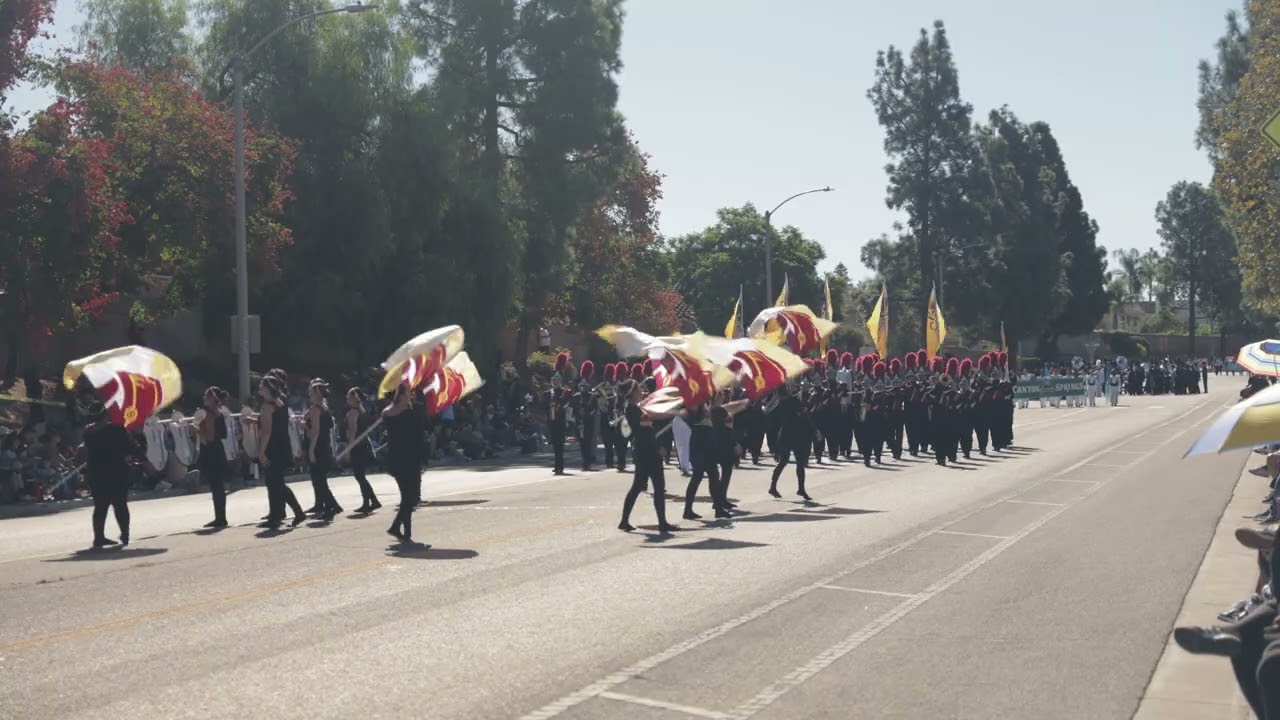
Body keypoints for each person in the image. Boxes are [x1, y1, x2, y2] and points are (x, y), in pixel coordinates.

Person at [617, 379, 677, 533]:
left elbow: (649, 428)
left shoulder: (635, 408)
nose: (641, 391)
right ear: (632, 392)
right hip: (647, 452)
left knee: (640, 487)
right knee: (655, 486)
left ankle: (625, 521)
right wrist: (658, 448)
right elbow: (643, 433)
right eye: (638, 389)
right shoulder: (632, 409)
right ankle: (661, 522)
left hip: (645, 451)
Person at [81, 401, 143, 548]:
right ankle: (125, 534)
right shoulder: (117, 430)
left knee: (100, 506)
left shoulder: (88, 432)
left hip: (96, 473)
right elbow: (131, 449)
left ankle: (99, 537)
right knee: (120, 504)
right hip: (117, 472)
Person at [256, 376, 306, 529]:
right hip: (283, 446)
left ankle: (280, 516)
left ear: (268, 388)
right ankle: (282, 514)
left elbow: (266, 432)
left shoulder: (267, 406)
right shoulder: (281, 403)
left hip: (272, 447)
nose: (259, 388)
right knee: (277, 483)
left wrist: (261, 452)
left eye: (262, 386)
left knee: (273, 483)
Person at [384, 383, 427, 546]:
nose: (411, 395)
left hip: (401, 458)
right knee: (411, 497)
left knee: (407, 497)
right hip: (407, 459)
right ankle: (396, 527)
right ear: (401, 395)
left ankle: (407, 532)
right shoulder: (411, 412)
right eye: (409, 393)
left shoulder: (389, 412)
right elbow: (419, 433)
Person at [306, 379, 342, 520]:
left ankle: (330, 507)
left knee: (319, 480)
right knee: (320, 479)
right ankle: (333, 505)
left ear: (317, 394)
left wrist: (311, 450)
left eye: (312, 392)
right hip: (324, 444)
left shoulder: (316, 409)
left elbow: (315, 431)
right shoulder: (324, 407)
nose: (310, 395)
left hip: (318, 446)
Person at [196, 387, 232, 528]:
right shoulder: (219, 413)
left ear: (212, 398)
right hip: (218, 450)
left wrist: (196, 430)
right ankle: (220, 516)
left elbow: (208, 438)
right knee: (218, 486)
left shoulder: (211, 415)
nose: (204, 398)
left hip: (211, 452)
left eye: (206, 396)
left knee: (216, 486)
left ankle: (220, 518)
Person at [345, 388, 381, 513]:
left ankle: (368, 502)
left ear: (354, 398)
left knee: (359, 476)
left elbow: (352, 432)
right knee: (361, 476)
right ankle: (373, 500)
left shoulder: (352, 413)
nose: (347, 399)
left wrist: (349, 449)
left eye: (348, 397)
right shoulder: (362, 410)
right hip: (364, 445)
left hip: (357, 447)